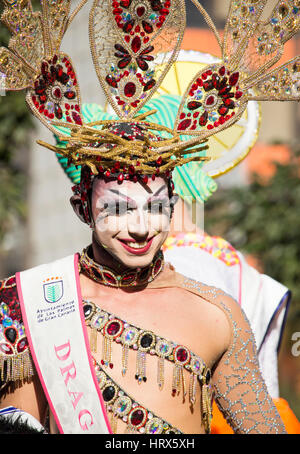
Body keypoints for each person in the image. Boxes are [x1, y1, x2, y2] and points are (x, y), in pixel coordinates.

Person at [0, 0, 299, 434]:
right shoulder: (29, 301)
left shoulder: (217, 314)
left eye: (155, 207)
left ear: (173, 207)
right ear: (82, 206)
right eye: (118, 207)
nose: (140, 226)